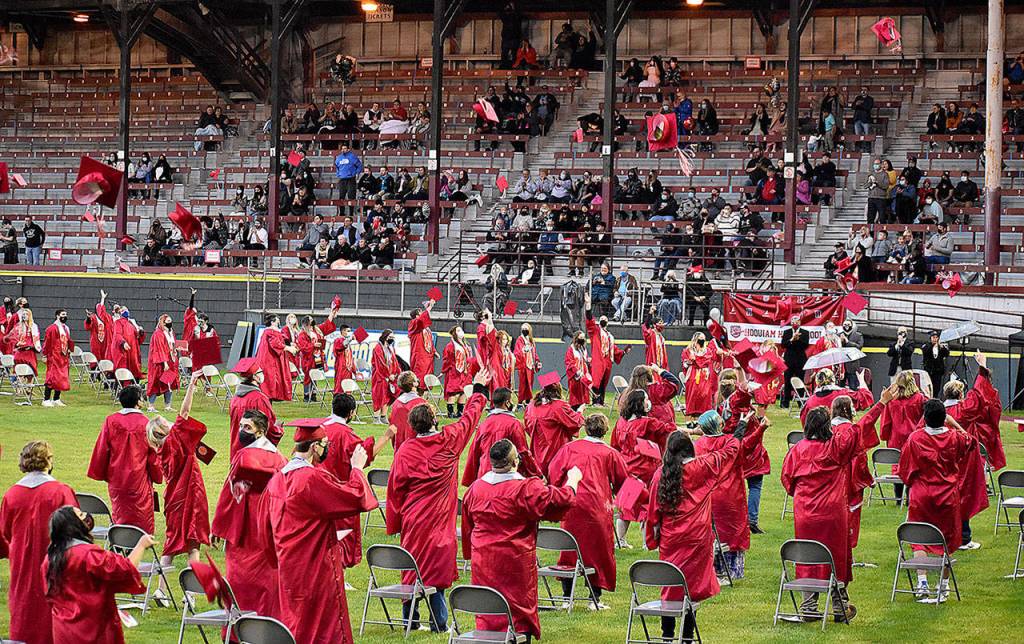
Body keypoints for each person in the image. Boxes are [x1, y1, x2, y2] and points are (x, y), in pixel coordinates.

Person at [387, 368, 489, 630]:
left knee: (412, 564)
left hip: (413, 516)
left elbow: (395, 488)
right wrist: (478, 391)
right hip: (438, 516)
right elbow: (469, 419)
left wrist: (395, 520)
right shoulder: (449, 441)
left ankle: (412, 621)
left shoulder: (406, 450)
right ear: (434, 420)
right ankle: (439, 623)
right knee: (436, 566)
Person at [266, 422, 377, 644]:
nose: (327, 449)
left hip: (288, 564)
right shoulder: (309, 478)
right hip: (315, 566)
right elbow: (355, 497)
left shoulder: (278, 478)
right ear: (315, 447)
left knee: (296, 621)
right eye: (325, 444)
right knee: (323, 627)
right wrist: (356, 468)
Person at [461, 439, 582, 642]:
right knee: (517, 618)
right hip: (514, 562)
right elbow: (560, 500)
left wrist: (469, 554)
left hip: (484, 561)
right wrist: (573, 480)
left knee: (488, 612)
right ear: (516, 461)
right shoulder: (524, 489)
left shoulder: (475, 489)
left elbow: (468, 528)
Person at [781, 394, 888, 620]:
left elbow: (787, 480)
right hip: (832, 512)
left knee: (808, 555)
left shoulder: (797, 450)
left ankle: (809, 606)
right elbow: (860, 428)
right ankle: (840, 607)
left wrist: (802, 495)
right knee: (837, 556)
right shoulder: (836, 448)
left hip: (805, 512)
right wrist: (881, 404)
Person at [645, 414, 746, 641]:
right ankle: (688, 636)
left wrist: (652, 537)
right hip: (697, 537)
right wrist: (740, 427)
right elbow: (727, 453)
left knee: (670, 586)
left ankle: (668, 635)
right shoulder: (701, 467)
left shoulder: (660, 475)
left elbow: (653, 510)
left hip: (671, 539)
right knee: (691, 588)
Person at [898, 399, 988, 601]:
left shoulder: (915, 439)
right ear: (943, 419)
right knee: (947, 541)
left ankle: (922, 583)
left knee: (919, 540)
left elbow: (904, 470)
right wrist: (954, 423)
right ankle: (944, 585)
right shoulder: (955, 438)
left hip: (922, 495)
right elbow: (971, 441)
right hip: (948, 496)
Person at [211, 409, 286, 619]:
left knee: (240, 578)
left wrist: (218, 527)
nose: (242, 431)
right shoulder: (281, 459)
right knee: (268, 580)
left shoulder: (244, 456)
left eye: (247, 427)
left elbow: (232, 494)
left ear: (261, 431)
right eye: (241, 426)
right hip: (270, 524)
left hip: (245, 525)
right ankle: (268, 626)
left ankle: (238, 629)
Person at [0, 441, 77, 644]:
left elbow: (5, 532)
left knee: (24, 610)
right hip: (54, 562)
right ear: (48, 461)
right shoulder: (60, 491)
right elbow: (75, 531)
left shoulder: (11, 494)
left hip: (21, 563)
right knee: (50, 618)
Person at [547, 414, 627, 609]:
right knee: (598, 551)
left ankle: (567, 597)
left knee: (569, 550)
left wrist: (558, 490)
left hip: (572, 503)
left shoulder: (569, 448)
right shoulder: (610, 453)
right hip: (597, 506)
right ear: (605, 430)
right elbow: (622, 480)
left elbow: (553, 471)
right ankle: (594, 599)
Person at [43, 505, 151, 644]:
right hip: (94, 628)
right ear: (74, 525)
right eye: (81, 515)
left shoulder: (49, 559)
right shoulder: (89, 554)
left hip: (63, 629)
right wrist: (141, 545)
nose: (86, 517)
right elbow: (125, 570)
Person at [320, 394, 395, 570]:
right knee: (341, 536)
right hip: (340, 490)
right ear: (352, 412)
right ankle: (337, 573)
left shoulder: (319, 427)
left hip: (317, 490)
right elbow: (365, 457)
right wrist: (386, 437)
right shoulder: (345, 434)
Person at [147, 373, 211, 576]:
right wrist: (191, 384)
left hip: (173, 497)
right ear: (164, 429)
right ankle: (190, 595)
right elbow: (184, 412)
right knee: (194, 545)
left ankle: (159, 589)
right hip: (191, 492)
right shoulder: (175, 439)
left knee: (171, 544)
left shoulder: (160, 449)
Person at [87, 385, 162, 534]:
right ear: (138, 402)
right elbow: (153, 456)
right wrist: (158, 475)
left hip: (117, 478)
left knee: (120, 513)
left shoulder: (111, 421)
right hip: (139, 480)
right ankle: (136, 547)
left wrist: (101, 472)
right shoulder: (146, 423)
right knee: (141, 517)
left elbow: (102, 449)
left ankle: (120, 543)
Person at [943, 350, 1005, 477]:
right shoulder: (965, 409)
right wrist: (982, 367)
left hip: (945, 456)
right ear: (961, 394)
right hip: (967, 452)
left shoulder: (937, 411)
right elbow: (979, 394)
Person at [463, 387, 540, 484]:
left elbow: (474, 452)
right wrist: (537, 474)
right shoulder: (514, 424)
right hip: (505, 475)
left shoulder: (484, 424)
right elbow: (523, 452)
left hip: (484, 476)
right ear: (507, 403)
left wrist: (471, 479)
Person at [525, 377, 585, 476]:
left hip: (537, 449)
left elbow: (528, 427)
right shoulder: (559, 406)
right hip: (556, 450)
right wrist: (580, 411)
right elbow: (575, 421)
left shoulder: (531, 405)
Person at [226, 358, 277, 456]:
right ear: (255, 377)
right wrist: (279, 429)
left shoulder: (235, 399)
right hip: (255, 451)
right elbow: (269, 427)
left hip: (236, 448)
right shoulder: (259, 399)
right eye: (260, 372)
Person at [584, 298, 624, 406]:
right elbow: (589, 322)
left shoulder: (610, 336)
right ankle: (595, 401)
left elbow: (614, 349)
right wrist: (588, 306)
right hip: (599, 359)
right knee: (596, 380)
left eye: (605, 318)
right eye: (601, 318)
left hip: (607, 361)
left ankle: (601, 401)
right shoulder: (596, 331)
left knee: (604, 382)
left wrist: (623, 352)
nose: (603, 319)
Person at [799, 367, 874, 424]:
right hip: (840, 437)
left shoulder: (810, 401)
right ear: (833, 379)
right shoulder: (842, 394)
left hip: (819, 439)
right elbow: (865, 397)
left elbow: (805, 423)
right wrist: (861, 380)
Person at [681, 331, 726, 417]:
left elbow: (706, 360)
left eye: (703, 339)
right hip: (693, 375)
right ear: (695, 340)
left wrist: (695, 360)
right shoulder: (688, 351)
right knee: (693, 395)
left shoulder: (707, 351)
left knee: (704, 396)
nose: (702, 341)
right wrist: (691, 361)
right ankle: (691, 419)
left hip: (704, 375)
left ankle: (704, 417)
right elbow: (685, 363)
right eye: (700, 339)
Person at [255, 314, 298, 402]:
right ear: (273, 322)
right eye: (277, 320)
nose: (278, 321)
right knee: (269, 384)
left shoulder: (267, 332)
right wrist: (288, 348)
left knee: (268, 385)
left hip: (267, 361)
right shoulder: (271, 332)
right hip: (270, 362)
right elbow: (275, 344)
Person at [145, 313, 179, 412]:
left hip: (170, 361)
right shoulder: (158, 334)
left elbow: (172, 346)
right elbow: (159, 349)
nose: (170, 323)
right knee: (155, 383)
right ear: (163, 323)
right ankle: (150, 406)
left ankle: (167, 406)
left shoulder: (171, 333)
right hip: (159, 363)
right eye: (168, 322)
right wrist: (165, 363)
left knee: (168, 383)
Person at [40, 309, 73, 407]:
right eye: (63, 314)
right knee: (51, 377)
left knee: (61, 377)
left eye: (66, 314)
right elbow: (47, 343)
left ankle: (56, 398)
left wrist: (70, 349)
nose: (65, 316)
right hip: (54, 356)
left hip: (63, 356)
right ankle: (46, 399)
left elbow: (68, 340)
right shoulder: (52, 328)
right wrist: (45, 355)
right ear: (57, 316)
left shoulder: (66, 328)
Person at [389, 371, 427, 452]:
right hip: (416, 447)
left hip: (400, 447)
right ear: (414, 384)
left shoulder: (396, 403)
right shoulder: (420, 403)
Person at [442, 325, 475, 418]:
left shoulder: (465, 345)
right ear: (454, 333)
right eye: (458, 330)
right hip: (454, 372)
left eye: (461, 330)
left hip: (465, 372)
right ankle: (450, 412)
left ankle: (460, 411)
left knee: (463, 391)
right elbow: (447, 359)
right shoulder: (450, 346)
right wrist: (445, 370)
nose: (461, 332)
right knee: (453, 391)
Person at [370, 329, 401, 423]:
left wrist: (397, 373)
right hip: (380, 376)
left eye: (393, 337)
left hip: (390, 376)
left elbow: (394, 361)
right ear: (385, 337)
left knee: (388, 396)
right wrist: (388, 375)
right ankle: (376, 417)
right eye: (390, 337)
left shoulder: (390, 348)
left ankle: (383, 416)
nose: (391, 339)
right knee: (379, 396)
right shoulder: (378, 348)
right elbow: (380, 363)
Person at [780, 315, 809, 407]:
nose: (795, 323)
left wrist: (798, 339)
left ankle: (801, 402)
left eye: (797, 321)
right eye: (793, 321)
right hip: (789, 360)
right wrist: (792, 339)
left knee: (800, 380)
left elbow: (805, 345)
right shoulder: (787, 332)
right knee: (787, 381)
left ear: (800, 322)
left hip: (800, 360)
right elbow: (783, 345)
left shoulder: (805, 332)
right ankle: (785, 402)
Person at [408, 300, 438, 390]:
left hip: (428, 355)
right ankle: (416, 397)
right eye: (420, 313)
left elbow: (429, 340)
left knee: (427, 380)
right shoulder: (413, 323)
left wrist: (434, 351)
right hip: (419, 355)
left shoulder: (426, 328)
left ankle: (423, 397)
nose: (423, 314)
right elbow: (421, 319)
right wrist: (429, 307)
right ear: (416, 316)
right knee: (419, 377)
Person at [564, 330, 592, 410]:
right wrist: (576, 371)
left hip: (583, 375)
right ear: (576, 338)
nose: (582, 339)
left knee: (583, 396)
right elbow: (569, 362)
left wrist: (588, 360)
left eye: (583, 338)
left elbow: (584, 360)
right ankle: (574, 412)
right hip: (575, 376)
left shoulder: (583, 349)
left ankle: (580, 413)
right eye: (581, 338)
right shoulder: (571, 349)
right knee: (575, 398)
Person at [514, 322, 540, 406]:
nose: (524, 330)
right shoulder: (520, 339)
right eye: (523, 329)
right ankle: (520, 402)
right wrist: (524, 350)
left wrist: (537, 361)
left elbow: (534, 353)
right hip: (523, 365)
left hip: (530, 365)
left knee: (530, 383)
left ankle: (528, 401)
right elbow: (517, 352)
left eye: (526, 329)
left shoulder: (531, 340)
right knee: (523, 384)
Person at [334, 144, 363, 216]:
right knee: (341, 197)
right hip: (342, 179)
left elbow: (359, 165)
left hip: (351, 179)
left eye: (345, 148)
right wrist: (338, 174)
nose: (343, 150)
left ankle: (351, 213)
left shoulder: (352, 156)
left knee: (351, 196)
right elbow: (337, 167)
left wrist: (356, 173)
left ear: (348, 149)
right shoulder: (338, 158)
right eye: (342, 148)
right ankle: (342, 213)